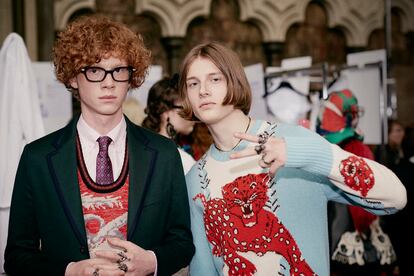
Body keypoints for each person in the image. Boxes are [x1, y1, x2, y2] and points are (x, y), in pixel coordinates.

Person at [178, 42, 407, 276]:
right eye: (193, 83)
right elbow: (203, 269)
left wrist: (304, 154)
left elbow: (395, 197)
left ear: (234, 81)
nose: (203, 90)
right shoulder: (195, 179)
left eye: (214, 79)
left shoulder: (295, 140)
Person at [4, 15, 194, 276]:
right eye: (94, 70)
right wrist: (69, 271)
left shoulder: (162, 153)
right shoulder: (38, 157)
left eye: (119, 70)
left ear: (131, 78)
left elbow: (182, 243)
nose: (109, 82)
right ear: (72, 78)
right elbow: (17, 256)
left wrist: (152, 261)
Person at [317, 90, 396, 275]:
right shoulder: (344, 147)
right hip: (336, 229)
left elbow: (364, 201)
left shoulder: (353, 148)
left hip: (346, 230)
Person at [142, 76, 196, 174]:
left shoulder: (139, 150)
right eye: (187, 109)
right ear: (165, 111)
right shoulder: (181, 160)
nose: (193, 115)